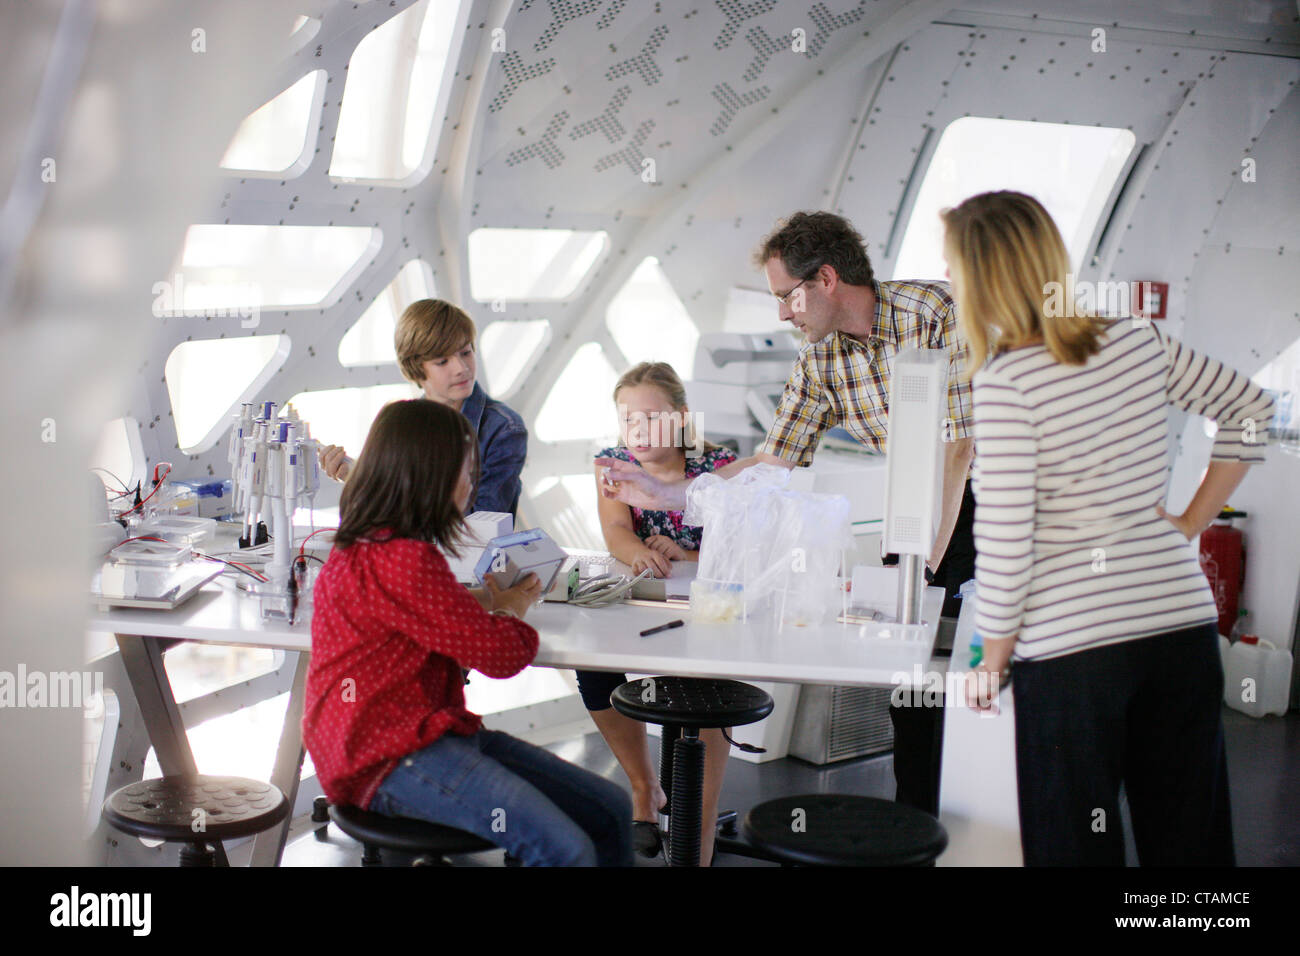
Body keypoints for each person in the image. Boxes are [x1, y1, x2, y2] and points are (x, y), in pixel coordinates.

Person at [598, 211, 975, 815]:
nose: (782, 314)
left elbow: (957, 449)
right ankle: (919, 829)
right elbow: (774, 462)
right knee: (912, 696)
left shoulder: (931, 312)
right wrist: (671, 496)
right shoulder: (817, 357)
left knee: (966, 678)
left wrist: (924, 566)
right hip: (916, 504)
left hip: (984, 497)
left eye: (786, 297)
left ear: (826, 279)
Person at [948, 191, 1273, 865]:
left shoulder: (1007, 381)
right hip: (1179, 626)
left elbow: (1008, 543)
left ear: (983, 277)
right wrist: (1189, 520)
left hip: (1075, 653)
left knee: (1077, 844)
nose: (948, 281)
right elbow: (1249, 407)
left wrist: (990, 661)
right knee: (1189, 847)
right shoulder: (1136, 338)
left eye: (953, 268)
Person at [303, 398, 633, 867]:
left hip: (407, 736)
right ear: (429, 475)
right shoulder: (406, 560)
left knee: (610, 808)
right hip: (385, 757)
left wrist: (494, 603)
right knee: (566, 849)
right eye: (465, 470)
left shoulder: (369, 544)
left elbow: (432, 611)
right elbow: (501, 655)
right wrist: (513, 606)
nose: (472, 482)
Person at [586, 362, 736, 863]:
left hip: (706, 610)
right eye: (629, 420)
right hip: (643, 599)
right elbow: (615, 531)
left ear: (681, 418)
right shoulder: (612, 463)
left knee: (704, 681)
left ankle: (700, 834)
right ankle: (642, 789)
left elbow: (734, 548)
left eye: (651, 418)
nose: (639, 431)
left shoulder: (718, 466)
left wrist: (683, 552)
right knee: (590, 663)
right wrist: (640, 554)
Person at [319, 299, 528, 517]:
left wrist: (374, 487)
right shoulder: (399, 424)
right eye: (442, 361)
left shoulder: (504, 428)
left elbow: (479, 523)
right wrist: (356, 478)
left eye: (465, 352)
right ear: (416, 369)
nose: (462, 368)